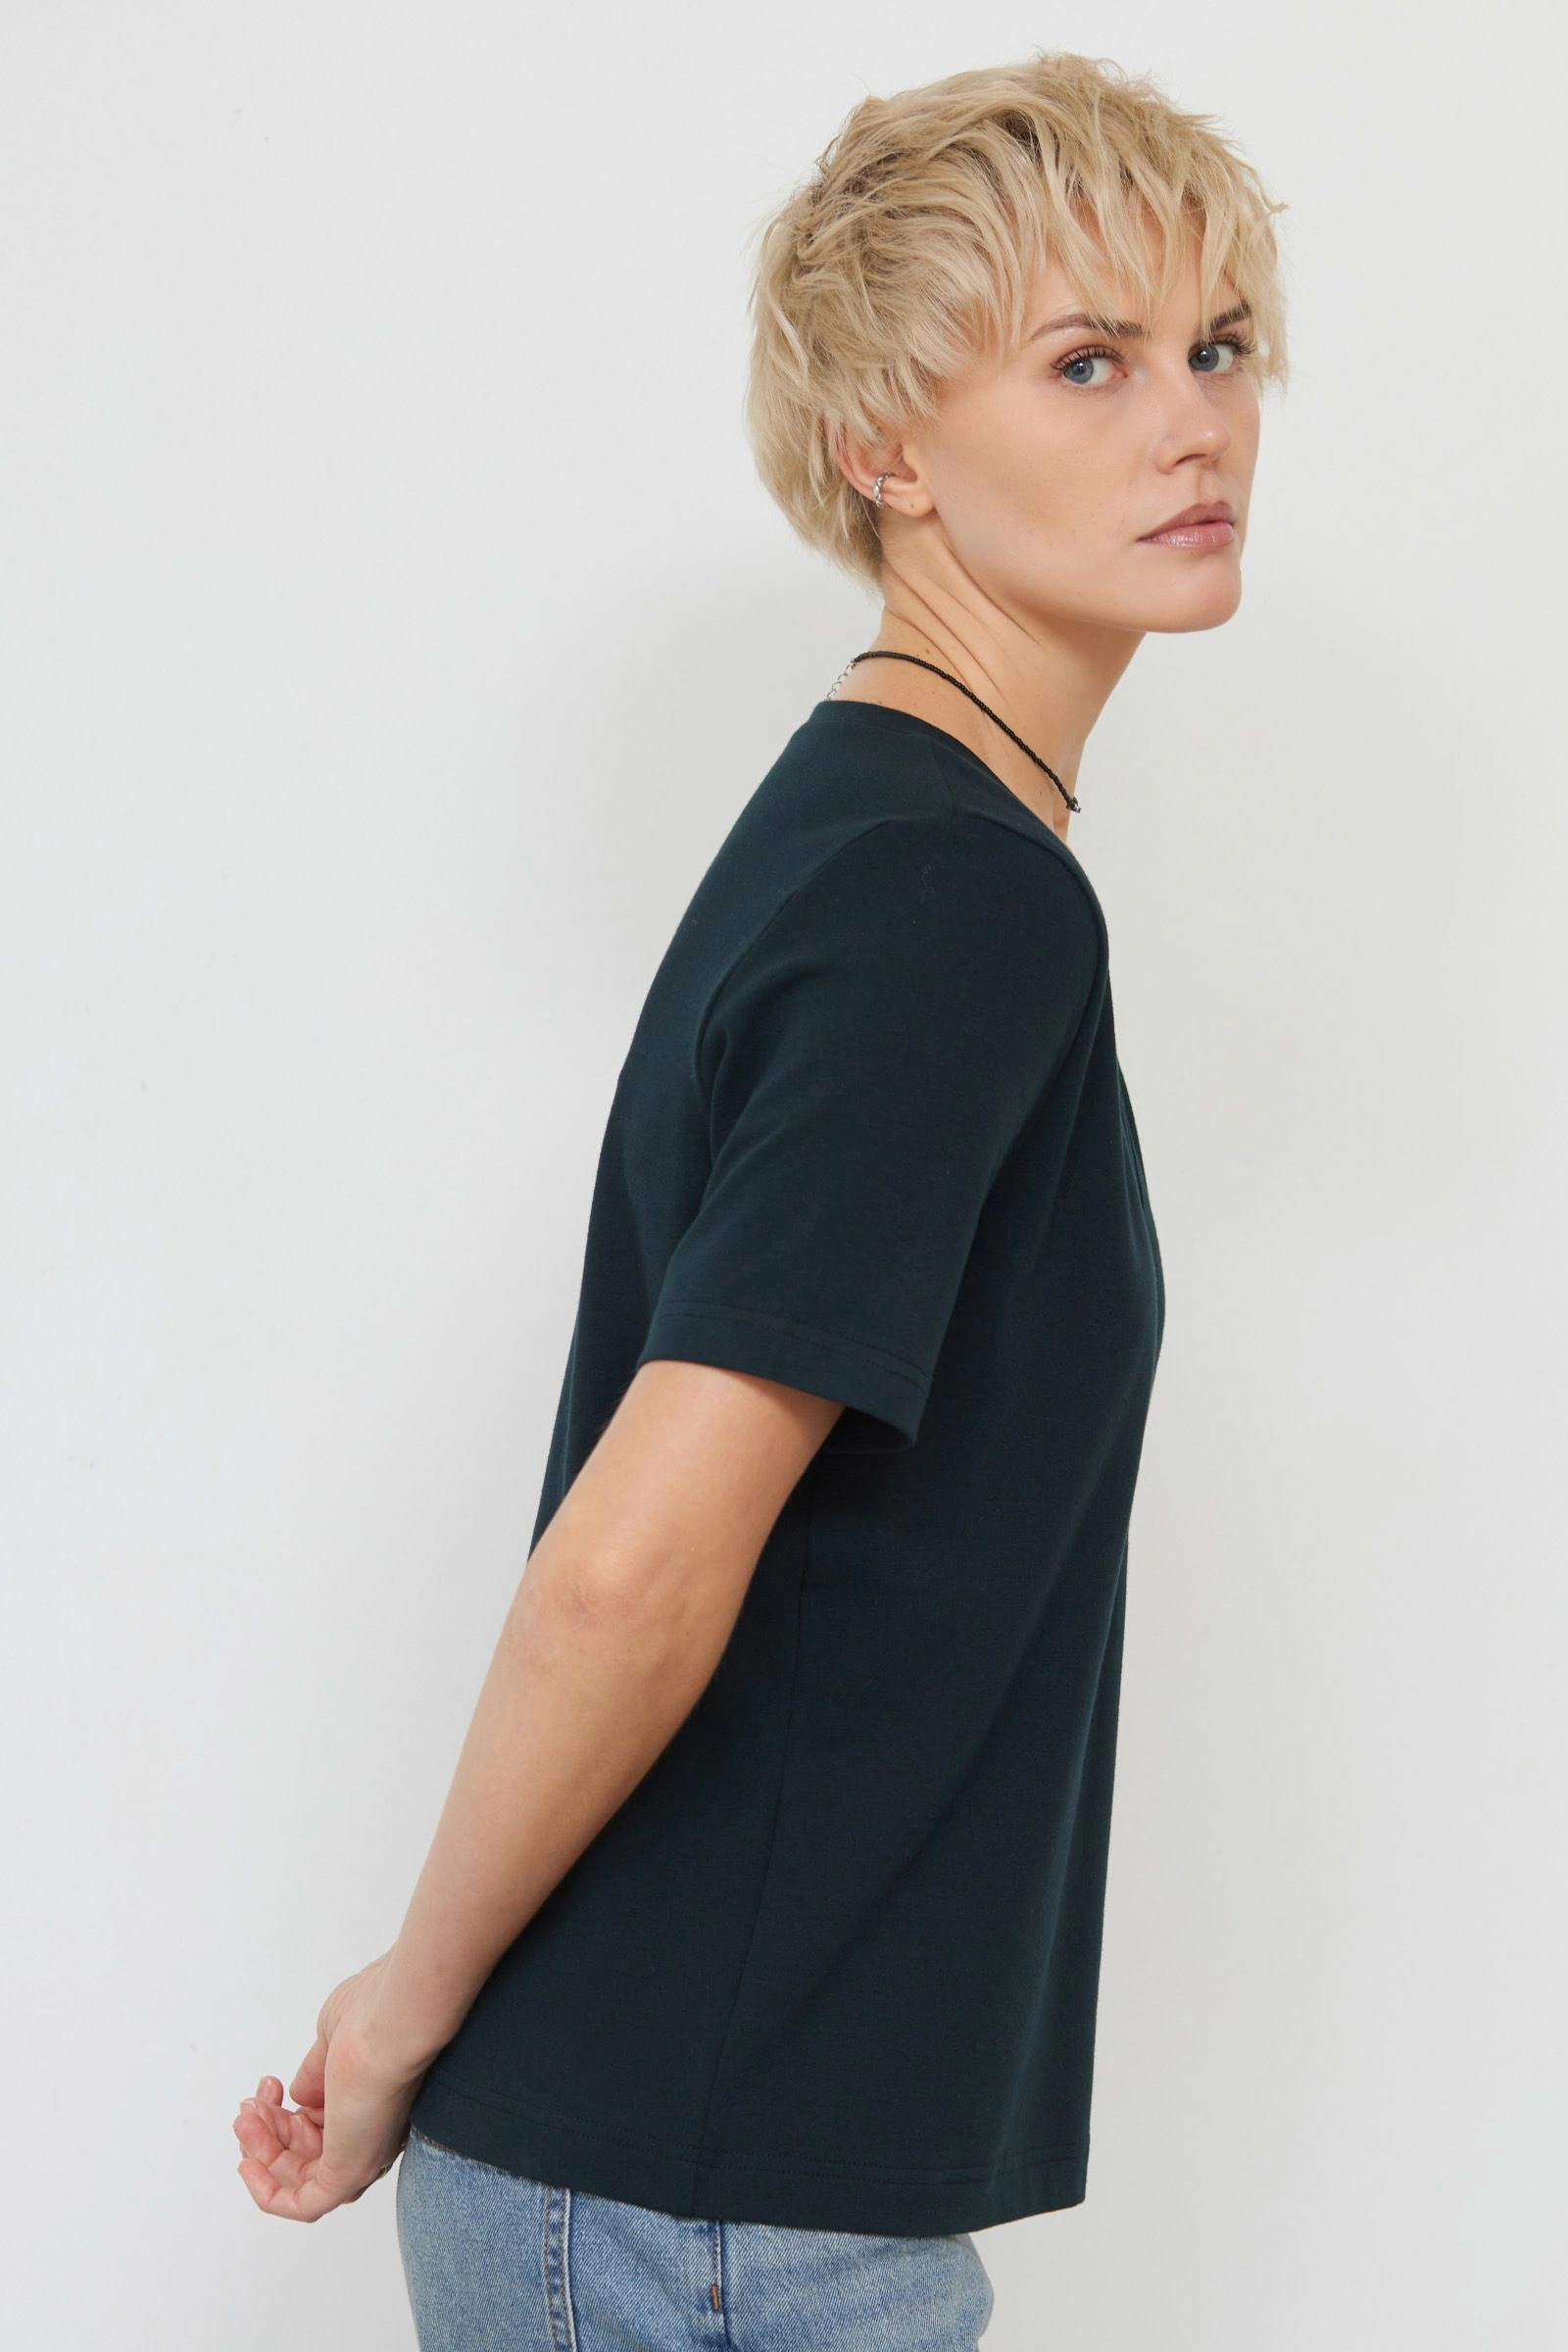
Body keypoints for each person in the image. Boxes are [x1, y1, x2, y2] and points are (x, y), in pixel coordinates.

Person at [233, 47, 1288, 2350]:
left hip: (696, 2182)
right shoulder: (946, 897)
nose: (1190, 425)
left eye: (1215, 348)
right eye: (1085, 361)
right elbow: (628, 1565)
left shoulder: (888, 834)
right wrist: (401, 2011)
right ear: (883, 443)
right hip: (700, 2213)